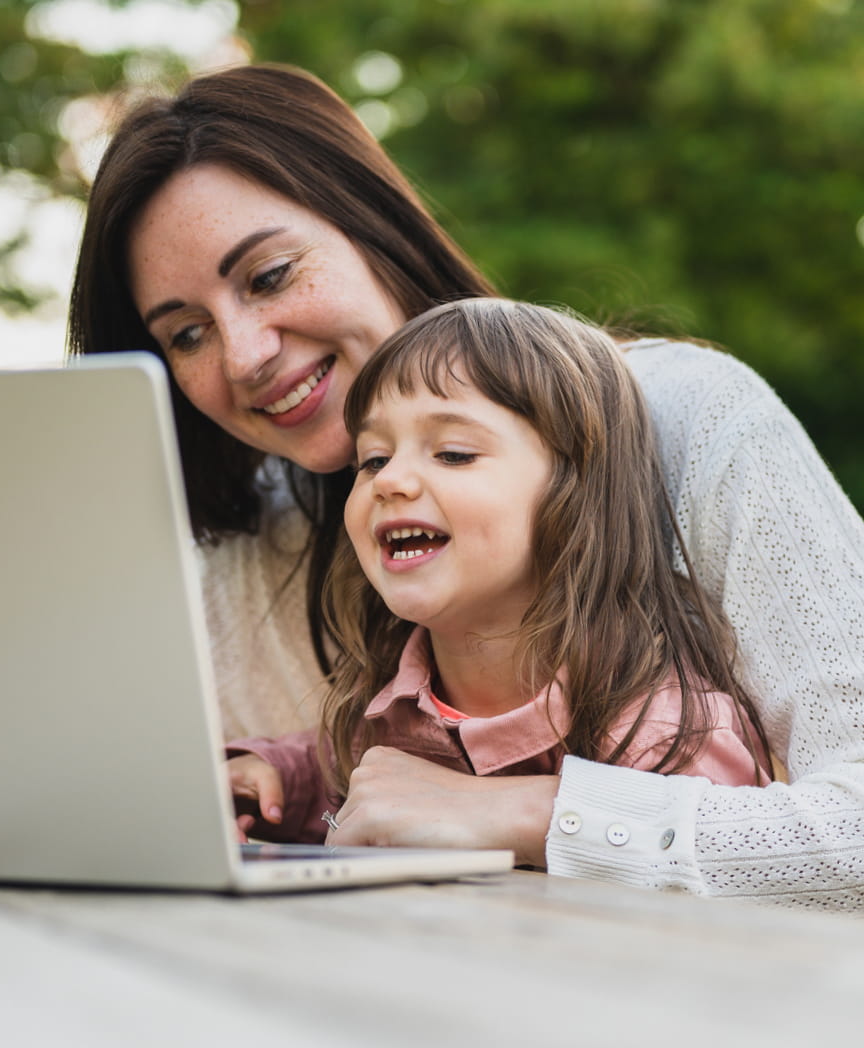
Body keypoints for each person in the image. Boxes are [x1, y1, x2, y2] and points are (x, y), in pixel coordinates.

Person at [69, 62, 864, 909]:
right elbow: (331, 773)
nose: (242, 355)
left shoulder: (685, 417)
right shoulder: (242, 545)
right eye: (187, 334)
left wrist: (528, 811)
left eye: (269, 277)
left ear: (376, 230)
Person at [224, 300, 771, 849]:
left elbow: (722, 876)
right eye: (373, 459)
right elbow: (349, 778)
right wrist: (274, 782)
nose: (390, 481)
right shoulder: (383, 709)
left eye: (454, 453)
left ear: (577, 497)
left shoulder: (661, 736)